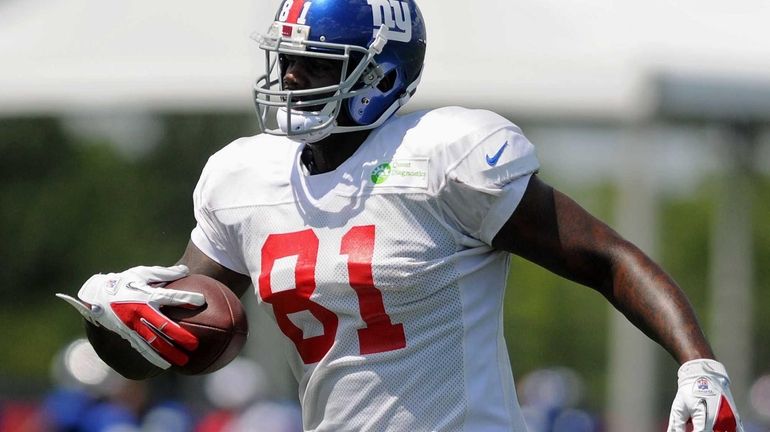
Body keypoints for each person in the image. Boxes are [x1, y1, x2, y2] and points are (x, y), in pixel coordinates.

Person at [57, 0, 744, 430]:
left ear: (381, 73)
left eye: (312, 64)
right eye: (286, 60)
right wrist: (110, 314)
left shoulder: (445, 155)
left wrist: (699, 366)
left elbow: (606, 258)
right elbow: (175, 340)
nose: (289, 78)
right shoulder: (243, 175)